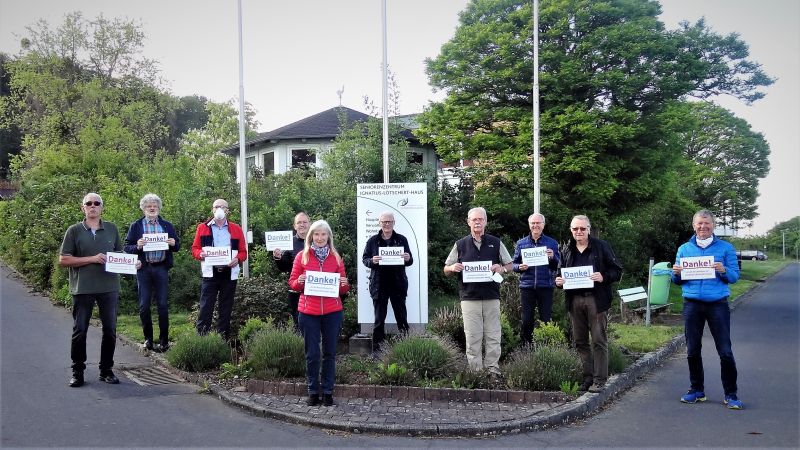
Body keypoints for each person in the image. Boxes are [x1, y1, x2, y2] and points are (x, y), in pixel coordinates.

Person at [672, 209, 742, 409]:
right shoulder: (684, 249)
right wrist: (676, 274)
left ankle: (731, 394)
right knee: (692, 350)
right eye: (699, 224)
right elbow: (677, 280)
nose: (703, 227)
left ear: (713, 225)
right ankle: (697, 390)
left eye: (707, 223)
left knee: (725, 351)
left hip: (717, 304)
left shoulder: (726, 248)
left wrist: (723, 271)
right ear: (693, 226)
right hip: (692, 304)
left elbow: (735, 276)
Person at [59, 193, 130, 387]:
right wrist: (91, 259)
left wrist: (133, 264)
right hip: (83, 288)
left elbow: (119, 255)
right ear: (83, 208)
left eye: (96, 203)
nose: (92, 206)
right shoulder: (74, 231)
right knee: (80, 330)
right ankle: (77, 371)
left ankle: (106, 370)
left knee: (110, 330)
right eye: (88, 203)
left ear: (102, 208)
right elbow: (64, 259)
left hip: (109, 288)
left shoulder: (112, 229)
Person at [555, 215, 622, 393]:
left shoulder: (601, 247)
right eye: (575, 229)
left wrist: (604, 276)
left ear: (589, 229)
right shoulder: (566, 249)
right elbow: (559, 273)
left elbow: (617, 271)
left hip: (596, 300)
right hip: (574, 300)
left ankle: (600, 380)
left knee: (599, 340)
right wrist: (558, 281)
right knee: (580, 341)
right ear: (571, 230)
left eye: (582, 229)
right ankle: (588, 378)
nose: (579, 232)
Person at [443, 207, 512, 376]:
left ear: (486, 222)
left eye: (481, 219)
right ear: (468, 222)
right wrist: (452, 267)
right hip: (469, 297)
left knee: (493, 335)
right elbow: (446, 269)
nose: (477, 222)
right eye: (474, 219)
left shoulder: (496, 242)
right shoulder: (460, 244)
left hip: (491, 296)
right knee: (473, 336)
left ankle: (493, 371)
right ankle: (476, 373)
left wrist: (501, 269)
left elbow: (510, 265)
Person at [288, 220, 349, 407]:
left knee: (330, 353)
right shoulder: (302, 256)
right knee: (312, 354)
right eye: (316, 234)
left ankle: (328, 391)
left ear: (328, 236)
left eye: (323, 234)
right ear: (311, 236)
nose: (320, 238)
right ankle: (313, 391)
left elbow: (343, 289)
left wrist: (344, 285)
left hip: (332, 312)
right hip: (308, 312)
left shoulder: (336, 258)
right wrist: (300, 280)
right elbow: (292, 284)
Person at [124, 193, 181, 352]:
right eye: (149, 206)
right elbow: (127, 247)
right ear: (143, 208)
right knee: (144, 306)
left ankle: (164, 341)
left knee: (163, 305)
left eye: (155, 206)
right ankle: (148, 339)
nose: (152, 208)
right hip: (144, 269)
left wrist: (173, 242)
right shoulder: (136, 226)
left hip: (161, 268)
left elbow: (177, 247)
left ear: (159, 208)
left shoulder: (167, 225)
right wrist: (137, 246)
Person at [191, 198, 248, 340]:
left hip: (229, 273)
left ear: (227, 211)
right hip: (210, 272)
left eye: (223, 207)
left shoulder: (236, 228)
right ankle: (201, 340)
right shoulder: (202, 227)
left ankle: (222, 340)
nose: (219, 209)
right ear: (212, 209)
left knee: (226, 308)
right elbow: (195, 249)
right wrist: (200, 254)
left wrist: (238, 259)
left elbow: (243, 252)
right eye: (217, 206)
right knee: (206, 307)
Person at [362, 211, 413, 352]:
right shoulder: (372, 241)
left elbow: (410, 260)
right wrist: (372, 261)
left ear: (394, 223)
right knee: (379, 320)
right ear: (380, 223)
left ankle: (407, 348)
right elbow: (365, 260)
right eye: (384, 222)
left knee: (402, 319)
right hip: (379, 285)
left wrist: (408, 258)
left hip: (397, 284)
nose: (387, 224)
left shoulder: (402, 240)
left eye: (389, 221)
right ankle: (377, 351)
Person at [512, 213, 560, 345]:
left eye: (538, 223)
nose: (535, 225)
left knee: (546, 319)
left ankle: (547, 347)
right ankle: (527, 348)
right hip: (527, 287)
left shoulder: (552, 243)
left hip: (546, 286)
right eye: (533, 223)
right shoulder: (521, 244)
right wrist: (519, 267)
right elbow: (513, 264)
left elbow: (558, 266)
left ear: (543, 225)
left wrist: (552, 257)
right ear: (529, 225)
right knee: (527, 319)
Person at [273, 212, 310, 328]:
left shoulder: (318, 239)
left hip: (316, 290)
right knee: (299, 324)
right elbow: (283, 268)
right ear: (294, 226)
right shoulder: (288, 242)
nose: (302, 225)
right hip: (296, 291)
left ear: (310, 224)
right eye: (299, 222)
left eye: (304, 222)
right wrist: (278, 258)